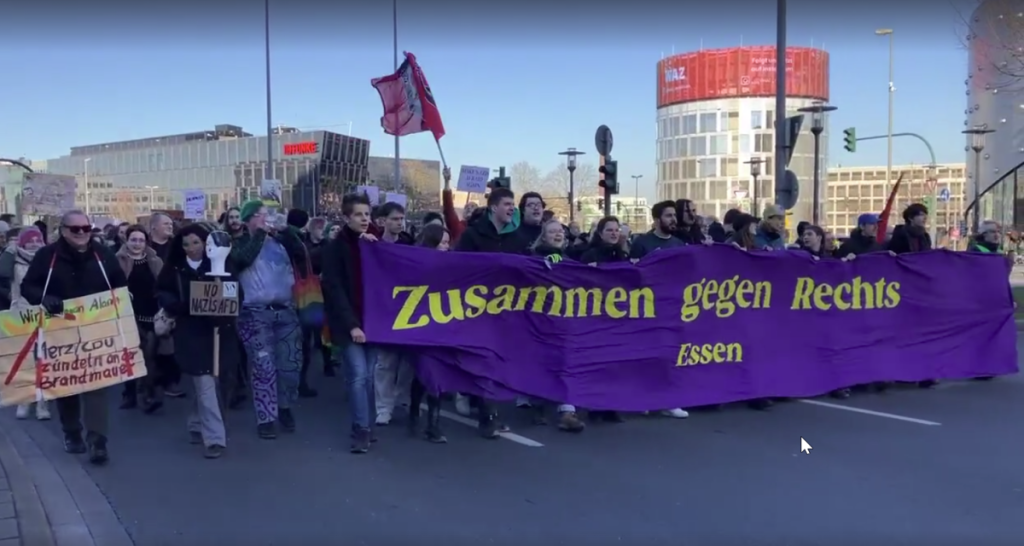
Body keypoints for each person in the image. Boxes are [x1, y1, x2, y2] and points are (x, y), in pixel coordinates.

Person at [21, 210, 128, 464]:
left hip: (96, 329)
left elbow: (120, 285)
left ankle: (98, 440)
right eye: (75, 229)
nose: (82, 233)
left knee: (96, 384)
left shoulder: (103, 255)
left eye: (86, 228)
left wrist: (115, 306)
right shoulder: (47, 256)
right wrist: (44, 299)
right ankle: (71, 432)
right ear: (63, 231)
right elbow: (28, 286)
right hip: (59, 329)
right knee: (66, 385)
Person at [156, 224, 238, 459]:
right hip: (190, 331)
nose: (191, 248)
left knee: (213, 379)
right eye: (185, 244)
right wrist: (178, 305)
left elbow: (235, 293)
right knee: (203, 379)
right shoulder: (174, 268)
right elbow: (162, 291)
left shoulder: (220, 265)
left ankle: (195, 423)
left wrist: (224, 307)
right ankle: (215, 438)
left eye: (196, 243)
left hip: (219, 330)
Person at [230, 200, 306, 439]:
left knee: (291, 365)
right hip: (254, 313)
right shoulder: (238, 243)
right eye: (261, 215)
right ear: (249, 219)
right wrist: (260, 234)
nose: (266, 219)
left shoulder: (280, 241)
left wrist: (287, 231)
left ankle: (284, 405)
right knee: (263, 367)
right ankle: (266, 417)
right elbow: (242, 261)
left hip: (286, 310)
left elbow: (302, 255)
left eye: (267, 215)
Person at [454, 187, 526, 437]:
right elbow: (457, 267)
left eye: (513, 204)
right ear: (494, 207)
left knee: (495, 362)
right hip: (477, 310)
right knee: (483, 360)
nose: (511, 208)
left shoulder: (516, 238)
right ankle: (488, 416)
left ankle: (481, 403)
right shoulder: (473, 236)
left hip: (506, 311)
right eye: (507, 204)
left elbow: (527, 267)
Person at [321, 193, 381, 453]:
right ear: (347, 217)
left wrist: (373, 246)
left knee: (368, 377)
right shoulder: (334, 248)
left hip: (373, 322)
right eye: (359, 214)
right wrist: (352, 325)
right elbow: (334, 290)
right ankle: (361, 429)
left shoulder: (370, 243)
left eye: (367, 214)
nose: (365, 219)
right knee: (357, 375)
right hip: (350, 324)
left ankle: (367, 423)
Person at [524, 219, 586, 433]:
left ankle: (567, 412)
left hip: (565, 319)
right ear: (544, 236)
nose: (558, 234)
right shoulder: (534, 258)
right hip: (541, 319)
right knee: (541, 362)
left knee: (566, 362)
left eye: (560, 231)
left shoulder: (569, 259)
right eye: (552, 232)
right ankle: (537, 406)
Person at [407, 223, 451, 443]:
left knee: (436, 374)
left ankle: (432, 424)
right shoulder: (416, 263)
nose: (446, 247)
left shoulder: (453, 264)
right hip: (421, 326)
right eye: (442, 242)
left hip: (443, 326)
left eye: (447, 243)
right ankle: (416, 412)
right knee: (425, 374)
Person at [115, 225, 165, 413]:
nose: (137, 244)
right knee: (130, 355)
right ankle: (130, 394)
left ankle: (149, 393)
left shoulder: (155, 260)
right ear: (126, 241)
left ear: (146, 242)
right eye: (133, 240)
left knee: (149, 355)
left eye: (141, 240)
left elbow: (163, 284)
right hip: (127, 314)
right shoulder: (117, 261)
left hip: (151, 313)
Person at [374, 202, 415, 425]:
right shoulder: (372, 245)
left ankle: (401, 399)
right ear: (383, 221)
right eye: (395, 219)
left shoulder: (410, 244)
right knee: (385, 362)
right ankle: (383, 407)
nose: (400, 223)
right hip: (383, 309)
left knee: (407, 361)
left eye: (402, 219)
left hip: (406, 308)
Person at [9, 228, 50, 421]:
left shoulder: (47, 260)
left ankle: (43, 402)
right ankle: (24, 400)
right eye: (30, 240)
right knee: (24, 358)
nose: (34, 243)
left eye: (37, 240)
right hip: (21, 311)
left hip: (45, 310)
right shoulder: (13, 259)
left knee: (43, 356)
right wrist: (10, 250)